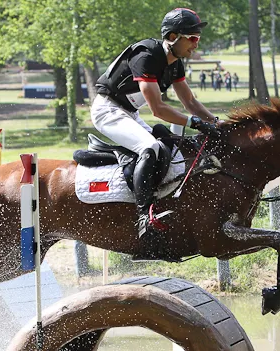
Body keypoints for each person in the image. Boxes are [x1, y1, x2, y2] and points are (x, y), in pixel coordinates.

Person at [91, 7, 220, 253]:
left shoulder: (175, 64)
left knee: (166, 142)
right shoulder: (147, 56)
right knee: (150, 147)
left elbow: (190, 102)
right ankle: (143, 217)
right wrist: (194, 123)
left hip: (129, 112)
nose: (196, 44)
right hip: (107, 110)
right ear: (172, 37)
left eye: (198, 38)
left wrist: (215, 122)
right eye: (192, 38)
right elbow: (158, 109)